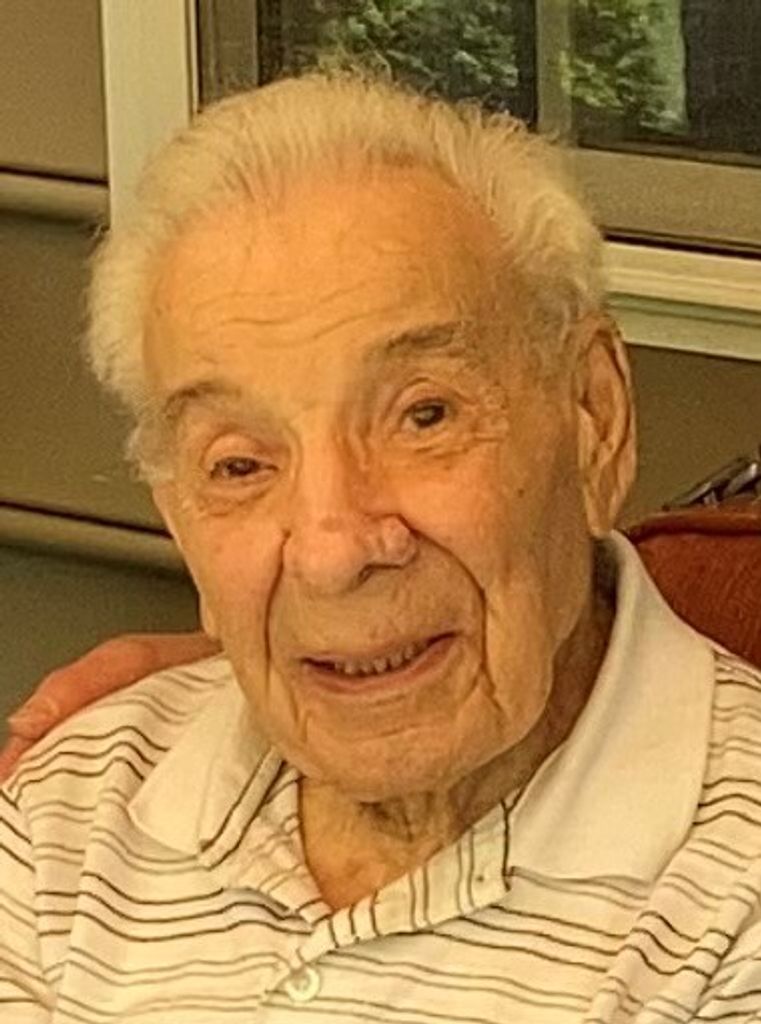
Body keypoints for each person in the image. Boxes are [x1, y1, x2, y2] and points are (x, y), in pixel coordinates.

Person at [2, 72, 760, 1023]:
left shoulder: (732, 900)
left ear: (591, 417)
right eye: (238, 464)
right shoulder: (72, 816)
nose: (333, 552)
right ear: (179, 518)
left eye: (422, 416)